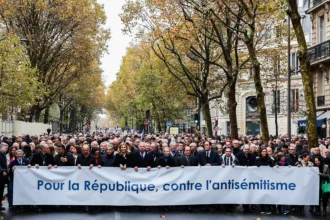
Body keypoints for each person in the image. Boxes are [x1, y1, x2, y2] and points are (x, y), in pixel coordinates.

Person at [0, 143, 8, 211]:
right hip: (1, 175)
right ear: (2, 147)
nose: (7, 149)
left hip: (2, 176)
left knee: (1, 191)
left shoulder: (3, 154)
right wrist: (2, 171)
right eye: (6, 148)